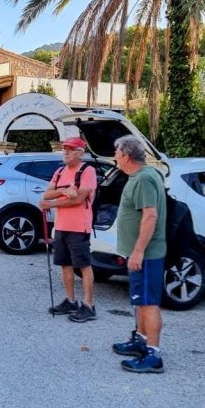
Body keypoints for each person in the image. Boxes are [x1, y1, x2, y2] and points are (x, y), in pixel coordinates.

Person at [110, 135, 167, 373]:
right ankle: (140, 341)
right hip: (141, 254)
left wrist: (138, 251)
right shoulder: (142, 176)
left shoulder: (143, 179)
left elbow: (150, 215)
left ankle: (154, 355)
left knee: (149, 302)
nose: (114, 157)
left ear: (125, 155)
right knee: (141, 302)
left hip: (147, 254)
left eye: (116, 153)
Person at [39, 136, 98, 323]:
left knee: (83, 266)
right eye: (64, 148)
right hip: (61, 226)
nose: (65, 152)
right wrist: (62, 191)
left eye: (70, 149)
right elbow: (46, 193)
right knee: (65, 264)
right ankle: (70, 301)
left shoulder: (88, 171)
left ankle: (89, 306)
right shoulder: (59, 171)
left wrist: (52, 202)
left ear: (80, 153)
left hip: (79, 227)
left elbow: (79, 200)